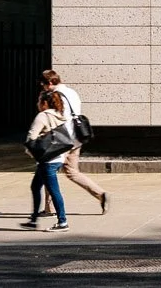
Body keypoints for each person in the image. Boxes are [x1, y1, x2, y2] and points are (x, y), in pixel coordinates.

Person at [40, 67, 110, 215]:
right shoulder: (72, 92)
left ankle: (50, 209)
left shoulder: (55, 95)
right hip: (76, 138)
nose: (44, 87)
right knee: (72, 171)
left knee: (49, 169)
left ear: (51, 82)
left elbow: (56, 118)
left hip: (62, 138)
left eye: (44, 84)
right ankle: (101, 194)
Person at [22, 87, 73, 229]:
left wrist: (31, 151)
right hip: (57, 157)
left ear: (44, 102)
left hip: (47, 160)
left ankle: (63, 221)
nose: (37, 103)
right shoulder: (59, 115)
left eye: (39, 100)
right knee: (35, 186)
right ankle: (33, 220)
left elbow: (31, 137)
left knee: (54, 190)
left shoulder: (43, 116)